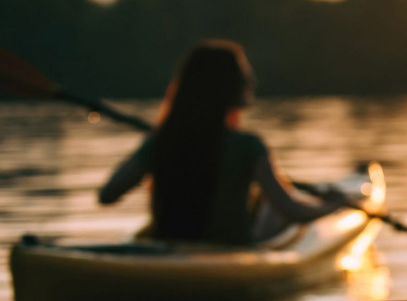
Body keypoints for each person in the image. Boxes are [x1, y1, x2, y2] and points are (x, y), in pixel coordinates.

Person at [99, 39, 346, 245]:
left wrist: (153, 144)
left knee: (266, 205)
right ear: (228, 87)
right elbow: (292, 211)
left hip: (167, 250)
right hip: (230, 254)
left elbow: (108, 194)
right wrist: (334, 207)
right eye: (244, 76)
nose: (252, 83)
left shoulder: (161, 142)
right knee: (273, 208)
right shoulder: (249, 146)